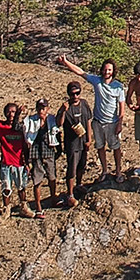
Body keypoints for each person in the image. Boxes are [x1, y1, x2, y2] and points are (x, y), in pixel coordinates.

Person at [57, 54, 126, 184]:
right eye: (105, 69)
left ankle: (118, 171)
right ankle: (104, 170)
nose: (107, 72)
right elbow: (80, 72)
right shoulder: (97, 81)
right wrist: (66, 62)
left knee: (115, 147)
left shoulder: (118, 86)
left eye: (110, 70)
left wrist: (120, 123)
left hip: (112, 122)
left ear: (113, 71)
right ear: (102, 70)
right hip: (98, 121)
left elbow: (122, 106)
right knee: (100, 147)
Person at [57, 80, 94, 207]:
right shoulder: (66, 107)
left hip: (83, 140)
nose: (75, 96)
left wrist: (89, 138)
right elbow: (59, 123)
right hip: (72, 143)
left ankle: (79, 184)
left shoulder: (84, 104)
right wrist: (62, 111)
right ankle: (70, 194)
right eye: (72, 94)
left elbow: (88, 121)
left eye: (77, 93)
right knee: (72, 167)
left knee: (82, 165)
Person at [24, 97, 61, 217]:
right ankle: (38, 206)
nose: (41, 110)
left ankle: (53, 198)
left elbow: (57, 131)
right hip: (36, 152)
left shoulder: (51, 119)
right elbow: (24, 129)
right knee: (37, 180)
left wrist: (59, 149)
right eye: (39, 108)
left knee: (52, 177)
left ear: (47, 109)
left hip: (48, 150)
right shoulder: (31, 120)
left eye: (43, 108)